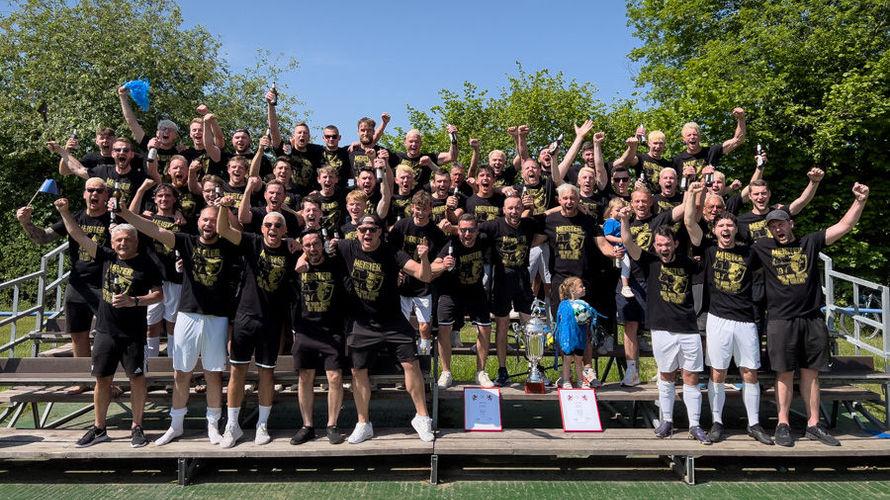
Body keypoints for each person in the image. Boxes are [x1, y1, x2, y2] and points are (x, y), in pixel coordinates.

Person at [751, 183, 870, 447]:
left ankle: (813, 424)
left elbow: (844, 226)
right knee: (783, 373)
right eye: (773, 226)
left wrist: (860, 201)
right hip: (781, 320)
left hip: (812, 319)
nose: (778, 229)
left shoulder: (810, 242)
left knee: (811, 373)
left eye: (781, 224)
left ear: (790, 224)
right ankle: (783, 423)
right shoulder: (762, 247)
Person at [116, 203, 238, 446]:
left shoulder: (229, 245)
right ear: (198, 221)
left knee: (213, 374)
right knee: (181, 373)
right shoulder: (186, 241)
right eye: (204, 219)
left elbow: (240, 229)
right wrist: (126, 214)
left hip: (217, 317)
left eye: (213, 220)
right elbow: (154, 230)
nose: (208, 224)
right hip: (187, 314)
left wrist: (225, 209)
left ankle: (213, 426)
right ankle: (176, 425)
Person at [55, 198, 162, 448]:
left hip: (133, 333)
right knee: (102, 380)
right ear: (112, 243)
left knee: (137, 379)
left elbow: (159, 295)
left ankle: (137, 427)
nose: (123, 243)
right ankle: (99, 428)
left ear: (136, 241)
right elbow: (79, 236)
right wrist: (65, 212)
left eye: (127, 240)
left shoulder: (148, 264)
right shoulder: (106, 256)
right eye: (118, 240)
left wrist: (134, 301)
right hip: (105, 331)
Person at [683, 182, 773, 445]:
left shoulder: (750, 252)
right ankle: (717, 422)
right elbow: (689, 222)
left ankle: (754, 424)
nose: (725, 229)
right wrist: (692, 192)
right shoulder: (708, 249)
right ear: (715, 229)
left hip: (745, 320)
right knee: (717, 373)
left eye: (730, 225)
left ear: (736, 229)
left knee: (750, 373)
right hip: (718, 319)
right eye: (721, 225)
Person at [333, 214, 434, 443]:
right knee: (358, 371)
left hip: (392, 321)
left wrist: (424, 258)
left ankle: (422, 418)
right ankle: (363, 423)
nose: (367, 233)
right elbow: (314, 248)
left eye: (372, 229)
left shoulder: (392, 252)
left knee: (411, 364)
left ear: (380, 231)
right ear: (357, 232)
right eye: (363, 229)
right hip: (362, 322)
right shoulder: (347, 247)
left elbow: (424, 275)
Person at [619, 213, 710, 444]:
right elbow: (628, 242)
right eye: (659, 245)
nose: (663, 248)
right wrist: (624, 221)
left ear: (675, 244)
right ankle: (667, 421)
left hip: (688, 328)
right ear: (654, 246)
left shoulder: (688, 263)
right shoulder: (649, 261)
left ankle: (695, 424)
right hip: (661, 328)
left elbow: (699, 243)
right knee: (666, 375)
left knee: (691, 377)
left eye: (667, 244)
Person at [216, 196, 299, 447]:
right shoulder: (251, 241)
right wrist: (223, 207)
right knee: (237, 371)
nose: (272, 229)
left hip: (272, 321)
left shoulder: (290, 249)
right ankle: (232, 425)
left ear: (285, 230)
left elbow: (313, 252)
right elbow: (223, 230)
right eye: (268, 225)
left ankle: (262, 425)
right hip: (246, 317)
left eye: (278, 226)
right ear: (262, 228)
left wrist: (299, 246)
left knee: (266, 373)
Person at [16, 179, 111, 366]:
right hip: (77, 285)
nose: (95, 194)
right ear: (84, 194)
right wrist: (26, 223)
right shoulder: (74, 217)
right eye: (90, 190)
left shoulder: (114, 219)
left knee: (108, 334)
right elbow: (43, 237)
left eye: (100, 191)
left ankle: (106, 376)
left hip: (105, 283)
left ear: (106, 195)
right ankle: (83, 377)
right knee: (78, 334)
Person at [291, 230, 348, 445]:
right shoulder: (297, 267)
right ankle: (307, 426)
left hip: (331, 330)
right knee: (305, 377)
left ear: (322, 244)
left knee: (334, 377)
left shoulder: (335, 264)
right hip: (305, 330)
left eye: (316, 244)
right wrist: (299, 262)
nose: (312, 249)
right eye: (307, 245)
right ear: (302, 247)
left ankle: (332, 425)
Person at [479, 195, 540, 386]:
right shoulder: (494, 225)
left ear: (522, 209)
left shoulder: (529, 224)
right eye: (510, 208)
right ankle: (502, 369)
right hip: (501, 281)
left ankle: (534, 367)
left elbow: (551, 215)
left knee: (530, 326)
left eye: (517, 208)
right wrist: (451, 228)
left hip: (523, 279)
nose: (514, 212)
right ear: (503, 210)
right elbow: (469, 229)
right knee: (502, 326)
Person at [434, 214, 494, 388]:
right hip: (450, 292)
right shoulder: (451, 245)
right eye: (463, 230)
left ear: (477, 230)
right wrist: (443, 265)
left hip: (475, 290)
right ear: (458, 230)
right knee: (444, 328)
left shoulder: (483, 240)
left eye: (471, 230)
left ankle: (480, 372)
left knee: (485, 328)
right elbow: (432, 266)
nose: (467, 234)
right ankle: (446, 372)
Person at [128, 180, 184, 361]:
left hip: (174, 278)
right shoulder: (147, 219)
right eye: (160, 196)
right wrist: (141, 189)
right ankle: (150, 362)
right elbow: (129, 216)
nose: (164, 199)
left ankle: (173, 362)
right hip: (152, 279)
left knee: (173, 322)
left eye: (168, 195)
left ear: (174, 199)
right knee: (151, 323)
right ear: (154, 199)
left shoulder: (182, 221)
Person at [389, 191, 446, 356]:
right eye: (417, 208)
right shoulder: (401, 226)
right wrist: (396, 271)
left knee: (425, 326)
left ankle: (424, 355)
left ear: (430, 209)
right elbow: (389, 251)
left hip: (424, 285)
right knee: (401, 323)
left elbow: (441, 260)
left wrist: (432, 266)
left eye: (424, 209)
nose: (420, 213)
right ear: (412, 208)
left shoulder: (436, 232)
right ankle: (401, 355)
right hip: (402, 283)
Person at [672, 107, 746, 175]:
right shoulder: (677, 160)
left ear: (699, 137)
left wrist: (741, 118)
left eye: (695, 134)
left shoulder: (711, 152)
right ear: (683, 139)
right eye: (689, 135)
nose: (692, 137)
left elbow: (738, 140)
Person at [556, 278, 594, 389]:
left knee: (579, 360)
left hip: (579, 338)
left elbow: (588, 319)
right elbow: (562, 323)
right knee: (567, 360)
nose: (584, 288)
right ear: (572, 290)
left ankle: (580, 381)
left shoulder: (583, 304)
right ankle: (566, 380)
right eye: (581, 286)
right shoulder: (564, 305)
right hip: (568, 338)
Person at [602, 197, 634, 299]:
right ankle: (625, 286)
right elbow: (607, 235)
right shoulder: (610, 221)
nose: (619, 212)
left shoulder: (621, 221)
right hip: (615, 248)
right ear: (610, 211)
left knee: (624, 265)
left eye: (621, 210)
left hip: (623, 248)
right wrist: (621, 240)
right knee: (626, 264)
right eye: (617, 210)